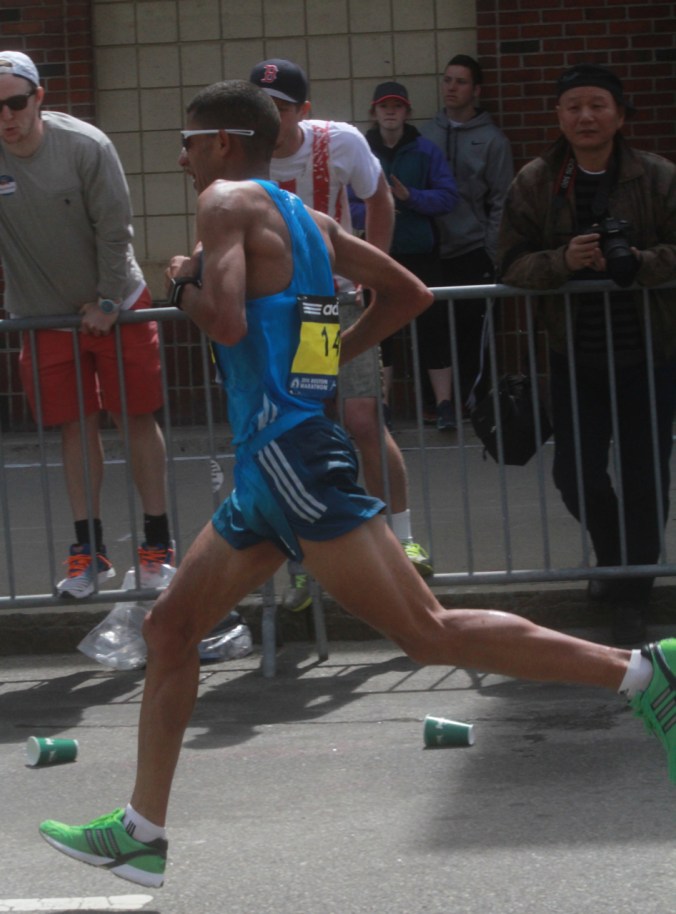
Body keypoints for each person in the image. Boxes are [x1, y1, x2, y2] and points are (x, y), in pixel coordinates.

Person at [37, 79, 676, 890]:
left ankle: (645, 672)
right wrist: (330, 358)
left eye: (190, 139)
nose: (181, 153)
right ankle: (140, 832)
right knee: (170, 631)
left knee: (428, 632)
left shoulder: (226, 200)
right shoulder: (309, 218)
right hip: (271, 469)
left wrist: (181, 282)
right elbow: (406, 293)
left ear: (227, 143)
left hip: (293, 461)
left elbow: (225, 318)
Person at [498, 63, 676, 646]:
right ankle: (617, 559)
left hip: (651, 351)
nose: (585, 116)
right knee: (575, 473)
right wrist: (562, 263)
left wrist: (641, 265)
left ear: (620, 116)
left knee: (646, 476)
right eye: (573, 106)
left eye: (598, 105)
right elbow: (509, 264)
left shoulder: (657, 177)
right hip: (574, 354)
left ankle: (632, 595)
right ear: (559, 117)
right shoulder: (537, 180)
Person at [249, 58, 433, 613]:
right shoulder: (242, 154)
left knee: (360, 418)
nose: (269, 119)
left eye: (280, 109)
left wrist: (375, 275)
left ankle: (403, 540)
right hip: (281, 310)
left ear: (302, 111)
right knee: (302, 432)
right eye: (261, 107)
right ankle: (308, 564)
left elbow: (378, 196)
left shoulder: (341, 142)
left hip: (335, 300)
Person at [0, 50, 172, 596]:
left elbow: (114, 226)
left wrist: (104, 301)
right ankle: (88, 554)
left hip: (116, 304)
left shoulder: (86, 145)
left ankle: (156, 546)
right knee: (75, 427)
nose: (6, 115)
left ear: (38, 99)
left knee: (134, 417)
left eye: (15, 102)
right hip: (42, 315)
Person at [349, 81, 459, 431]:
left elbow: (448, 197)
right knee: (380, 330)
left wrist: (411, 199)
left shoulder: (426, 151)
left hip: (421, 254)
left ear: (407, 111)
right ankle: (382, 407)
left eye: (397, 105)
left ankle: (444, 406)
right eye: (384, 106)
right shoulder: (360, 151)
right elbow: (346, 205)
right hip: (378, 255)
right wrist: (381, 209)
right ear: (374, 111)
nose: (391, 111)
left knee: (434, 330)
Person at [421, 54, 513, 410]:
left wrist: (491, 248)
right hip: (432, 251)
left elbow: (503, 199)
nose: (451, 88)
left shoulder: (493, 140)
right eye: (447, 80)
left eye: (460, 82)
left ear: (476, 90)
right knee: (433, 331)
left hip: (473, 249)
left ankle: (474, 406)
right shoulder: (427, 135)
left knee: (472, 334)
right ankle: (439, 407)